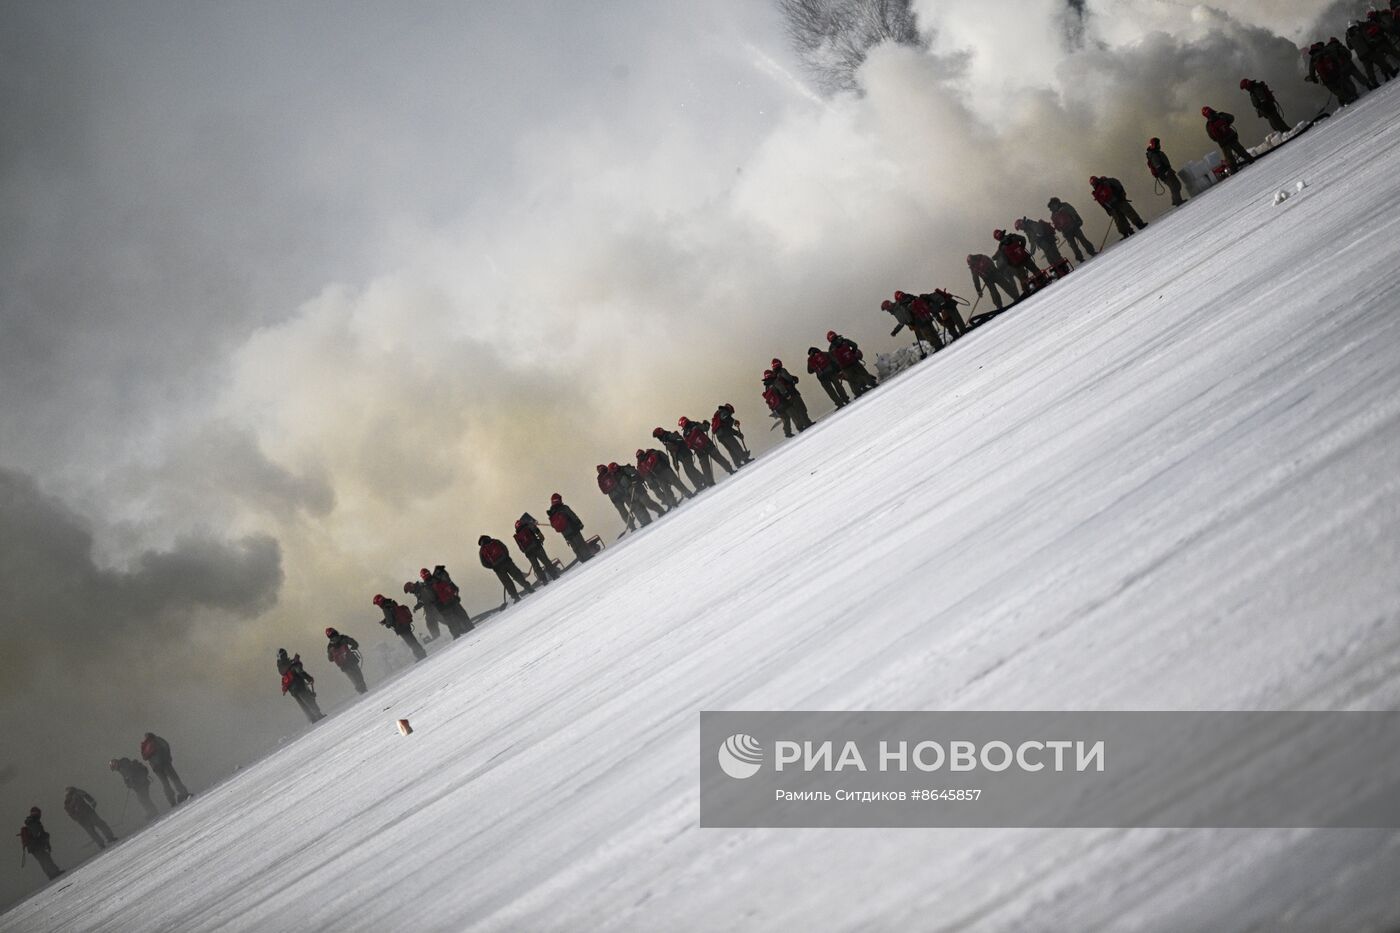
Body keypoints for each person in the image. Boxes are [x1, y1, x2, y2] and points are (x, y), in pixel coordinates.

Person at [678, 416, 736, 484]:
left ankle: (710, 482)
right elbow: (706, 428)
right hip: (708, 445)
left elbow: (689, 445)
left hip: (699, 452)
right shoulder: (695, 424)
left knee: (705, 468)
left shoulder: (685, 434)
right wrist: (706, 423)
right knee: (719, 458)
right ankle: (730, 470)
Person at [420, 566, 474, 638]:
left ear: (422, 577)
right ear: (429, 573)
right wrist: (455, 596)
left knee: (450, 621)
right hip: (452, 600)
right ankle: (470, 627)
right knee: (461, 614)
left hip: (443, 606)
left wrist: (438, 606)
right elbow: (449, 585)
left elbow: (432, 598)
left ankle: (456, 635)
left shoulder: (426, 586)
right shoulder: (437, 578)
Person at [139, 732, 191, 807]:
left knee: (165, 784)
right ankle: (184, 793)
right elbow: (166, 746)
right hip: (164, 763)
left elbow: (144, 757)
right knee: (174, 778)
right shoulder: (157, 739)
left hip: (156, 768)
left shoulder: (145, 746)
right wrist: (168, 757)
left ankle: (171, 801)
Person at [478, 535, 535, 601]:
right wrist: (506, 557)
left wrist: (493, 567)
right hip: (507, 562)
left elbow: (484, 563)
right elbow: (504, 548)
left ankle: (516, 597)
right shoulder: (495, 541)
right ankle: (529, 588)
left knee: (507, 583)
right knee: (517, 576)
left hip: (498, 568)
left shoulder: (482, 550)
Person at [1090, 176, 1147, 241]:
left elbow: (1102, 203)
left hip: (1113, 205)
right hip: (1118, 202)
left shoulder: (1098, 190)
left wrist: (1109, 210)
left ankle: (1127, 232)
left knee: (1120, 219)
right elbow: (1119, 187)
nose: (1093, 185)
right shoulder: (1107, 183)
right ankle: (1138, 225)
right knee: (1128, 214)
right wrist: (1122, 196)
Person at [372, 594, 428, 660]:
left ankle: (420, 656)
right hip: (405, 624)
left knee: (411, 643)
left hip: (400, 627)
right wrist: (384, 621)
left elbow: (390, 620)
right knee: (413, 640)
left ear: (379, 602)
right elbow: (394, 614)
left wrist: (387, 625)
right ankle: (422, 653)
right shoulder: (391, 602)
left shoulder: (385, 608)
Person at [1200, 107, 1255, 172]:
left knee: (1229, 158)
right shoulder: (1221, 115)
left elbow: (1212, 136)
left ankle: (1234, 170)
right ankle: (1250, 160)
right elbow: (1232, 118)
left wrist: (1219, 139)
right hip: (1231, 136)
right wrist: (1227, 125)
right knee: (1240, 150)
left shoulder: (1208, 125)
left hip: (1223, 142)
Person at [1307, 40, 1363, 104]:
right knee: (1345, 83)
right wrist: (1340, 68)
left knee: (1336, 90)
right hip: (1336, 73)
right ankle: (1353, 94)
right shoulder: (1326, 52)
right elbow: (1336, 59)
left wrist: (1315, 80)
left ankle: (1347, 98)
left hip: (1327, 79)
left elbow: (1311, 72)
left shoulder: (1313, 59)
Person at [278, 648, 325, 722]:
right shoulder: (293, 665)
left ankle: (312, 718)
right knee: (309, 700)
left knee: (302, 704)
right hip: (299, 685)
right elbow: (300, 672)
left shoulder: (281, 667)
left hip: (292, 690)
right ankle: (318, 715)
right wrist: (309, 678)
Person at [546, 493, 596, 563]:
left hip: (566, 535)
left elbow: (553, 525)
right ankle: (588, 557)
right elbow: (572, 516)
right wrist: (579, 523)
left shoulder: (552, 513)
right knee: (581, 544)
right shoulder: (564, 508)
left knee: (575, 548)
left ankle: (582, 560)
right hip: (573, 529)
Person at [1046, 198, 1097, 262]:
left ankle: (1081, 257)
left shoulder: (1054, 214)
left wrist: (1061, 229)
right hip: (1072, 227)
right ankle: (1090, 252)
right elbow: (1073, 212)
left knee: (1075, 244)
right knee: (1081, 241)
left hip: (1069, 230)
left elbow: (1057, 226)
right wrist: (1079, 220)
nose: (1051, 209)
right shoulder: (1064, 206)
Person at [827, 331, 876, 396]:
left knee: (851, 380)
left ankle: (857, 392)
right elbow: (854, 345)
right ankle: (872, 383)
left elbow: (832, 359)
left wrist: (839, 365)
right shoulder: (844, 340)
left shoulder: (831, 349)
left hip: (844, 367)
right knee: (863, 373)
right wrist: (852, 353)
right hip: (853, 361)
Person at [513, 517, 561, 584]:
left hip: (529, 553)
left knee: (536, 567)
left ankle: (544, 581)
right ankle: (554, 575)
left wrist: (527, 551)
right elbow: (537, 531)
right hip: (537, 547)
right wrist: (540, 539)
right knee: (545, 561)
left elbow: (521, 549)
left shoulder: (517, 536)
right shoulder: (528, 527)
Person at [18, 808, 61, 880]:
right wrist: (45, 837)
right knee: (46, 859)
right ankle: (54, 873)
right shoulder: (33, 822)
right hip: (37, 846)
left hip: (33, 847)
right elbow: (37, 834)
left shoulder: (30, 822)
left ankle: (51, 874)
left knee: (43, 860)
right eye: (38, 813)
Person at [617, 462, 665, 526]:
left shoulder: (624, 470)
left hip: (638, 489)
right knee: (639, 507)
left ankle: (661, 511)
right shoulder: (617, 476)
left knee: (647, 503)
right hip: (632, 493)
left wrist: (634, 479)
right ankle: (647, 520)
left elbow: (635, 473)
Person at [1144, 138, 1186, 206]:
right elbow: (1158, 166)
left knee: (1175, 185)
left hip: (1167, 172)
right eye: (1158, 144)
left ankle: (1175, 200)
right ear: (1155, 145)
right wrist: (1165, 173)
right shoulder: (1154, 155)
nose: (1159, 145)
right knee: (1175, 186)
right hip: (1165, 173)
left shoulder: (1155, 153)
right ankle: (1178, 201)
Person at [325, 627, 367, 693]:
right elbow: (354, 643)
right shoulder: (342, 638)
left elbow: (330, 659)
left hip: (344, 665)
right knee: (359, 676)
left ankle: (361, 691)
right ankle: (364, 689)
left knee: (354, 679)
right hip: (351, 660)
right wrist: (354, 647)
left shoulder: (330, 646)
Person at [596, 463, 635, 529]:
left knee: (623, 513)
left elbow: (604, 491)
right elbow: (617, 480)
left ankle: (632, 527)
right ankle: (643, 520)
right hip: (622, 493)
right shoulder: (610, 472)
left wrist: (611, 489)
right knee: (632, 507)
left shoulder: (600, 479)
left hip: (614, 498)